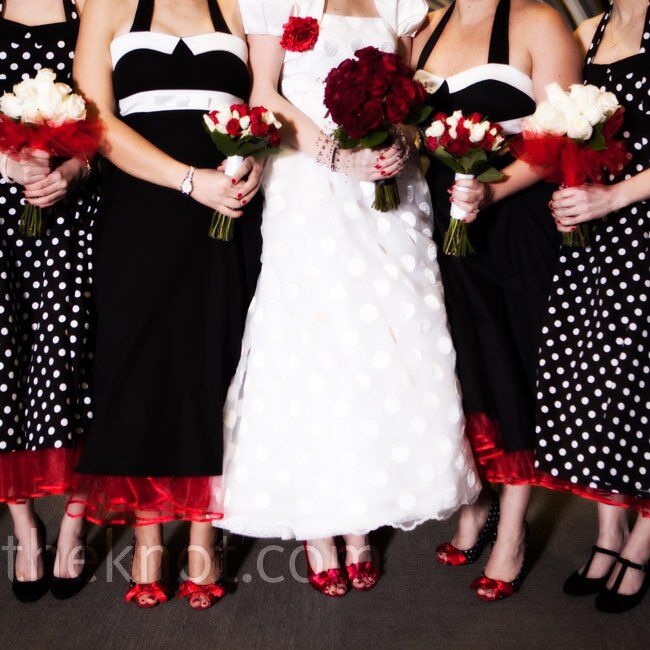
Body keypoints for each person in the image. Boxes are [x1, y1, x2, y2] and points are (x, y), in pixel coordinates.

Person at [215, 0, 481, 599]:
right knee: (315, 342)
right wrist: (335, 155)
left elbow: (411, 94)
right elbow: (267, 93)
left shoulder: (400, 2)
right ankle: (318, 526)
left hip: (389, 190)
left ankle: (361, 520)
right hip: (309, 185)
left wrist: (403, 144)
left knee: (382, 345)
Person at [69, 0, 263, 610]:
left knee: (216, 362)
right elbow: (95, 121)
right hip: (142, 211)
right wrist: (187, 179)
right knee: (139, 364)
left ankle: (205, 542)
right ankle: (149, 542)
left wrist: (251, 161)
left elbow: (264, 104)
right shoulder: (108, 4)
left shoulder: (238, 4)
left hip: (227, 212)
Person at [412, 0, 582, 601]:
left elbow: (561, 128)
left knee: (514, 368)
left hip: (513, 224)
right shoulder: (423, 29)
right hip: (438, 221)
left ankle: (512, 528)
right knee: (463, 369)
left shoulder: (539, 21)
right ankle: (477, 500)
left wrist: (492, 188)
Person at [535, 0, 649, 614]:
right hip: (596, 240)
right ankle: (609, 535)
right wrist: (570, 190)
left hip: (640, 223)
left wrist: (616, 197)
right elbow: (564, 134)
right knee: (595, 382)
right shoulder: (589, 29)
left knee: (641, 385)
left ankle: (642, 545)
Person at [0, 0, 97, 602]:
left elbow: (104, 115)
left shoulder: (88, 6)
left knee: (77, 361)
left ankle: (73, 528)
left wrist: (73, 169)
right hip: (2, 209)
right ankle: (23, 528)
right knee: (5, 365)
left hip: (71, 210)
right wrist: (7, 163)